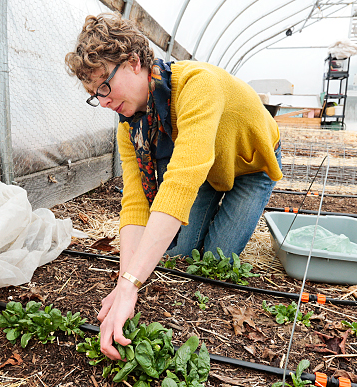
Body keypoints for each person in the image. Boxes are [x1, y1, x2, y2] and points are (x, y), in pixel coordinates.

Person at [65, 13, 282, 360]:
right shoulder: (130, 125)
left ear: (134, 61)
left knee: (215, 261)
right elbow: (135, 201)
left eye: (104, 84)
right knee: (179, 257)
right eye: (94, 95)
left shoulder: (197, 85)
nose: (103, 101)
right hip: (209, 169)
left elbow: (179, 184)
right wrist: (125, 281)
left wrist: (130, 285)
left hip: (251, 163)